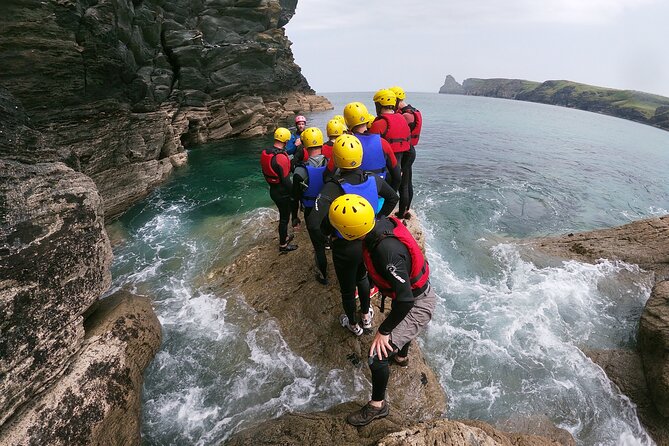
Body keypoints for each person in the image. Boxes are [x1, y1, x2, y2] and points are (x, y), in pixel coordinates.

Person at [327, 194, 435, 427]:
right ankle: (402, 357)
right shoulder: (376, 224)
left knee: (376, 356)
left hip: (417, 302)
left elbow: (406, 300)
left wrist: (384, 331)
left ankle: (378, 406)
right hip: (411, 295)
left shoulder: (387, 252)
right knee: (399, 326)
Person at [307, 134, 398, 336]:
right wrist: (378, 218)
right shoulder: (373, 179)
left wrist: (326, 238)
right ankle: (366, 317)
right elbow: (393, 198)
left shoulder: (333, 187)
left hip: (345, 247)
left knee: (348, 289)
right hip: (370, 241)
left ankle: (353, 324)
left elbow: (313, 223)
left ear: (337, 159)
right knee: (363, 277)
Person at [292, 127, 330, 284]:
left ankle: (323, 276)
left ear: (305, 147)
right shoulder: (331, 164)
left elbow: (295, 197)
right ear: (321, 143)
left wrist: (295, 217)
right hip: (329, 209)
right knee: (330, 236)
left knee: (318, 247)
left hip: (310, 211)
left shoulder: (300, 171)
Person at [369, 89, 413, 218]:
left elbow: (371, 148)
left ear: (378, 105)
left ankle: (378, 218)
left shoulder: (379, 124)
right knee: (404, 188)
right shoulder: (402, 118)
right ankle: (402, 214)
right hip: (401, 163)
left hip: (386, 169)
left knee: (381, 195)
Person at [341, 102, 401, 191]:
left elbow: (328, 173)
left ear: (347, 122)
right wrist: (391, 194)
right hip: (379, 194)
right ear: (367, 119)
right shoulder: (383, 143)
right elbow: (397, 176)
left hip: (352, 196)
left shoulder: (344, 145)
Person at [260, 127, 298, 252]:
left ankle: (285, 236)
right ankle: (283, 245)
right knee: (284, 218)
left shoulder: (267, 152)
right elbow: (286, 181)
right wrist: (294, 193)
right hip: (282, 192)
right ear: (286, 141)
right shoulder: (280, 157)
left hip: (273, 189)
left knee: (283, 216)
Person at [389, 86, 422, 218]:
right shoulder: (411, 111)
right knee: (407, 182)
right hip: (409, 151)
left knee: (404, 184)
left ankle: (402, 213)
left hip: (406, 153)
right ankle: (406, 209)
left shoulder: (406, 115)